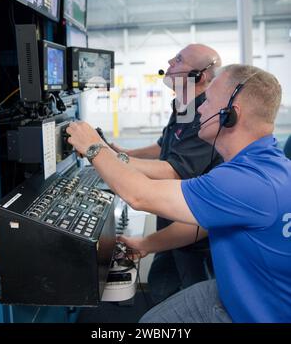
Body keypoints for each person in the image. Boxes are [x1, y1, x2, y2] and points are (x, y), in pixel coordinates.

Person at [67, 64, 291, 323]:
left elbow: (140, 195)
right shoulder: (265, 165)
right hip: (239, 288)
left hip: (259, 313)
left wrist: (94, 147)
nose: (199, 109)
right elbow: (206, 224)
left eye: (206, 102)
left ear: (229, 114)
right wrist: (146, 244)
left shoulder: (247, 181)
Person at [111, 43, 222, 304]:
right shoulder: (184, 105)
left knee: (196, 303)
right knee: (161, 291)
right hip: (170, 225)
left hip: (195, 237)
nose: (170, 62)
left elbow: (174, 171)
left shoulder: (204, 113)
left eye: (179, 60)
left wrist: (114, 160)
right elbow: (164, 147)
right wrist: (124, 151)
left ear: (200, 76)